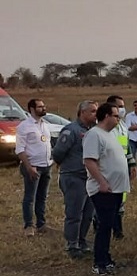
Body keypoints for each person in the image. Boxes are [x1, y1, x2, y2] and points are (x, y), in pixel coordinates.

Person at [83, 101, 131, 275]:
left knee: (109, 225)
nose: (119, 119)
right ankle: (99, 263)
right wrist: (102, 182)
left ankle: (106, 258)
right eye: (116, 115)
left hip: (116, 189)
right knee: (104, 226)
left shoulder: (109, 134)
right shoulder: (94, 135)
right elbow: (89, 160)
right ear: (106, 116)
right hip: (104, 190)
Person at [52, 100, 97, 256]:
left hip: (89, 178)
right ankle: (72, 245)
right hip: (73, 177)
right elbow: (58, 152)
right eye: (92, 111)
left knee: (88, 213)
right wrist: (66, 165)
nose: (95, 114)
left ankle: (82, 240)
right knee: (74, 213)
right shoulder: (71, 130)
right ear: (82, 112)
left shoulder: (93, 130)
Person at [17, 98, 52, 237]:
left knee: (42, 197)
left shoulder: (44, 124)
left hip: (46, 166)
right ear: (32, 109)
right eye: (40, 107)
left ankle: (41, 224)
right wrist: (29, 167)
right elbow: (20, 149)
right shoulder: (24, 126)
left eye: (43, 106)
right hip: (33, 166)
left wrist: (52, 160)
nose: (43, 108)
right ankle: (28, 225)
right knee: (30, 197)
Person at [105, 95, 135, 239]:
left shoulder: (123, 126)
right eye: (120, 106)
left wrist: (132, 162)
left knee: (120, 200)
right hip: (109, 169)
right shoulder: (106, 127)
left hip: (122, 170)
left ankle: (118, 230)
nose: (123, 109)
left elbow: (127, 146)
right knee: (108, 201)